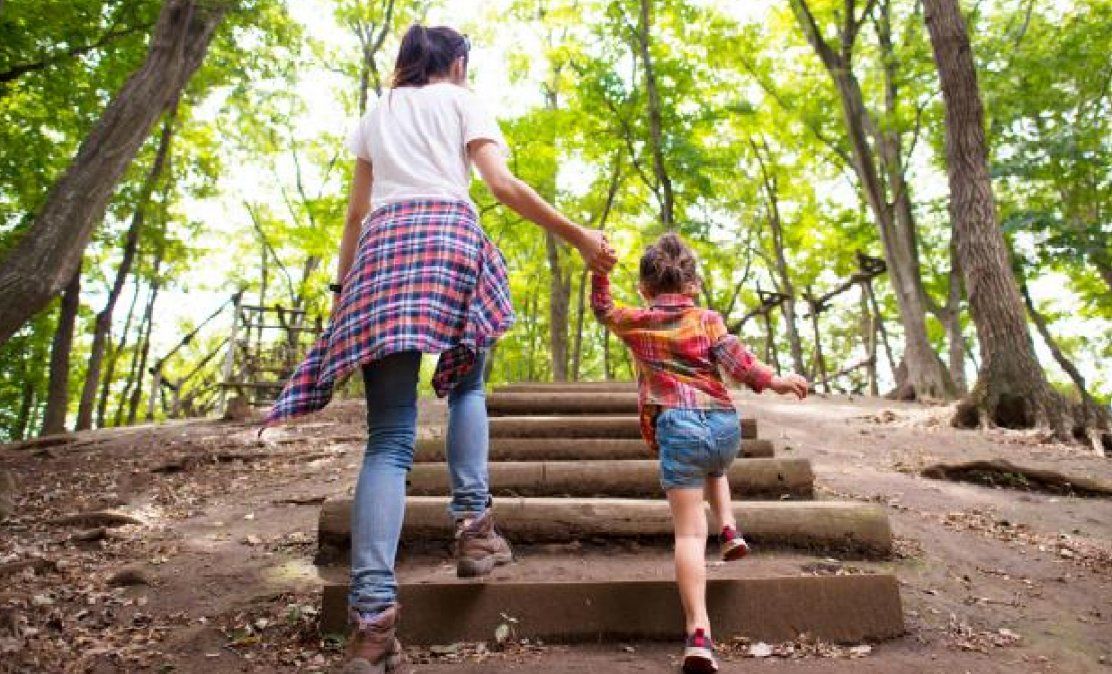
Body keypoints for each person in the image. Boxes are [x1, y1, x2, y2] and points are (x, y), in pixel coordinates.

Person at [264, 24, 616, 674]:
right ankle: (476, 534)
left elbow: (355, 215)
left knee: (389, 439)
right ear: (456, 62)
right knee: (469, 388)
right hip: (451, 242)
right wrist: (580, 238)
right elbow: (503, 187)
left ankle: (370, 623)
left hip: (380, 254)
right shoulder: (461, 99)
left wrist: (345, 292)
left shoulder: (379, 111)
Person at [590, 232, 807, 674]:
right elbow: (740, 363)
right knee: (715, 464)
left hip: (676, 423)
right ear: (693, 286)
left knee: (689, 535)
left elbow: (603, 310)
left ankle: (699, 634)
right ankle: (729, 527)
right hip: (724, 424)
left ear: (645, 289)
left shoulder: (638, 321)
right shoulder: (709, 320)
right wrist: (776, 380)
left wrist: (599, 270)